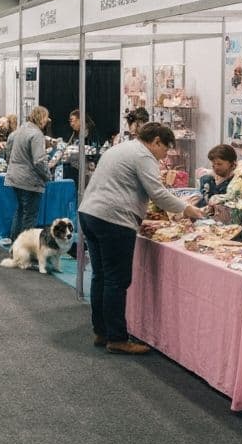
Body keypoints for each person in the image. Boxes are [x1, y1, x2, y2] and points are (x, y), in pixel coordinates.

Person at [79, 122, 206, 354]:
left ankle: (102, 331)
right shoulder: (144, 155)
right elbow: (157, 193)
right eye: (165, 149)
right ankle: (117, 338)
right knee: (116, 281)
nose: (165, 155)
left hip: (90, 213)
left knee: (100, 276)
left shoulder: (121, 148)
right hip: (114, 220)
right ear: (156, 141)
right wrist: (187, 209)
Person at [4, 106, 56, 243]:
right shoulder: (36, 134)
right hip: (29, 180)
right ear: (42, 118)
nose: (47, 121)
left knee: (20, 211)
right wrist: (48, 176)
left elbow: (8, 150)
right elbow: (39, 161)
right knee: (30, 216)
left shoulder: (20, 130)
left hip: (15, 177)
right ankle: (25, 248)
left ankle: (15, 244)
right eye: (46, 118)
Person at [62, 109, 99, 183]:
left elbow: (94, 151)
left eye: (72, 121)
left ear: (80, 120)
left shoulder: (91, 133)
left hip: (86, 171)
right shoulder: (76, 134)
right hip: (76, 169)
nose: (71, 124)